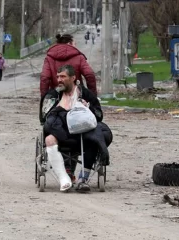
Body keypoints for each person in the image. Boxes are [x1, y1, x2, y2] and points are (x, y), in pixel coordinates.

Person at [40, 65, 112, 193]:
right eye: (58, 77)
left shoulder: (85, 94)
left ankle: (82, 180)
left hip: (83, 133)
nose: (59, 80)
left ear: (73, 78)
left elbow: (99, 115)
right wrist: (59, 109)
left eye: (63, 76)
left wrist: (87, 108)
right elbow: (44, 118)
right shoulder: (53, 95)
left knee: (96, 137)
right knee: (49, 139)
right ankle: (64, 178)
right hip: (61, 134)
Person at [40, 33, 97, 97]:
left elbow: (44, 78)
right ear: (69, 43)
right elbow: (90, 74)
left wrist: (44, 98)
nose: (76, 46)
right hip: (76, 96)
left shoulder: (49, 58)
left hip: (56, 95)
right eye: (75, 44)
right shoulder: (79, 57)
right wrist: (93, 96)